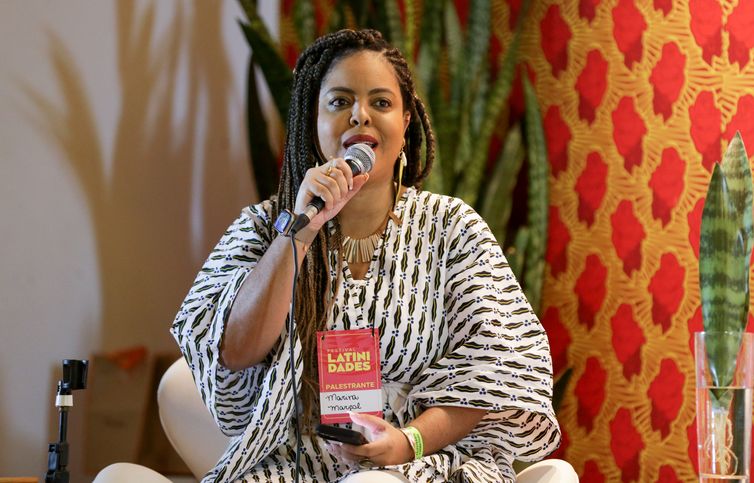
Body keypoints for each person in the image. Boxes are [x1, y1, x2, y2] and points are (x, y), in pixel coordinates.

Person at [171, 28, 560, 482]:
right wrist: (300, 231)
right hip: (295, 468)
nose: (360, 116)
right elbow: (232, 352)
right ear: (311, 122)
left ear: (407, 120)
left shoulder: (453, 229)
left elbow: (497, 368)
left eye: (381, 102)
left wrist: (406, 442)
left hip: (420, 462)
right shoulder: (265, 226)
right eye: (339, 102)